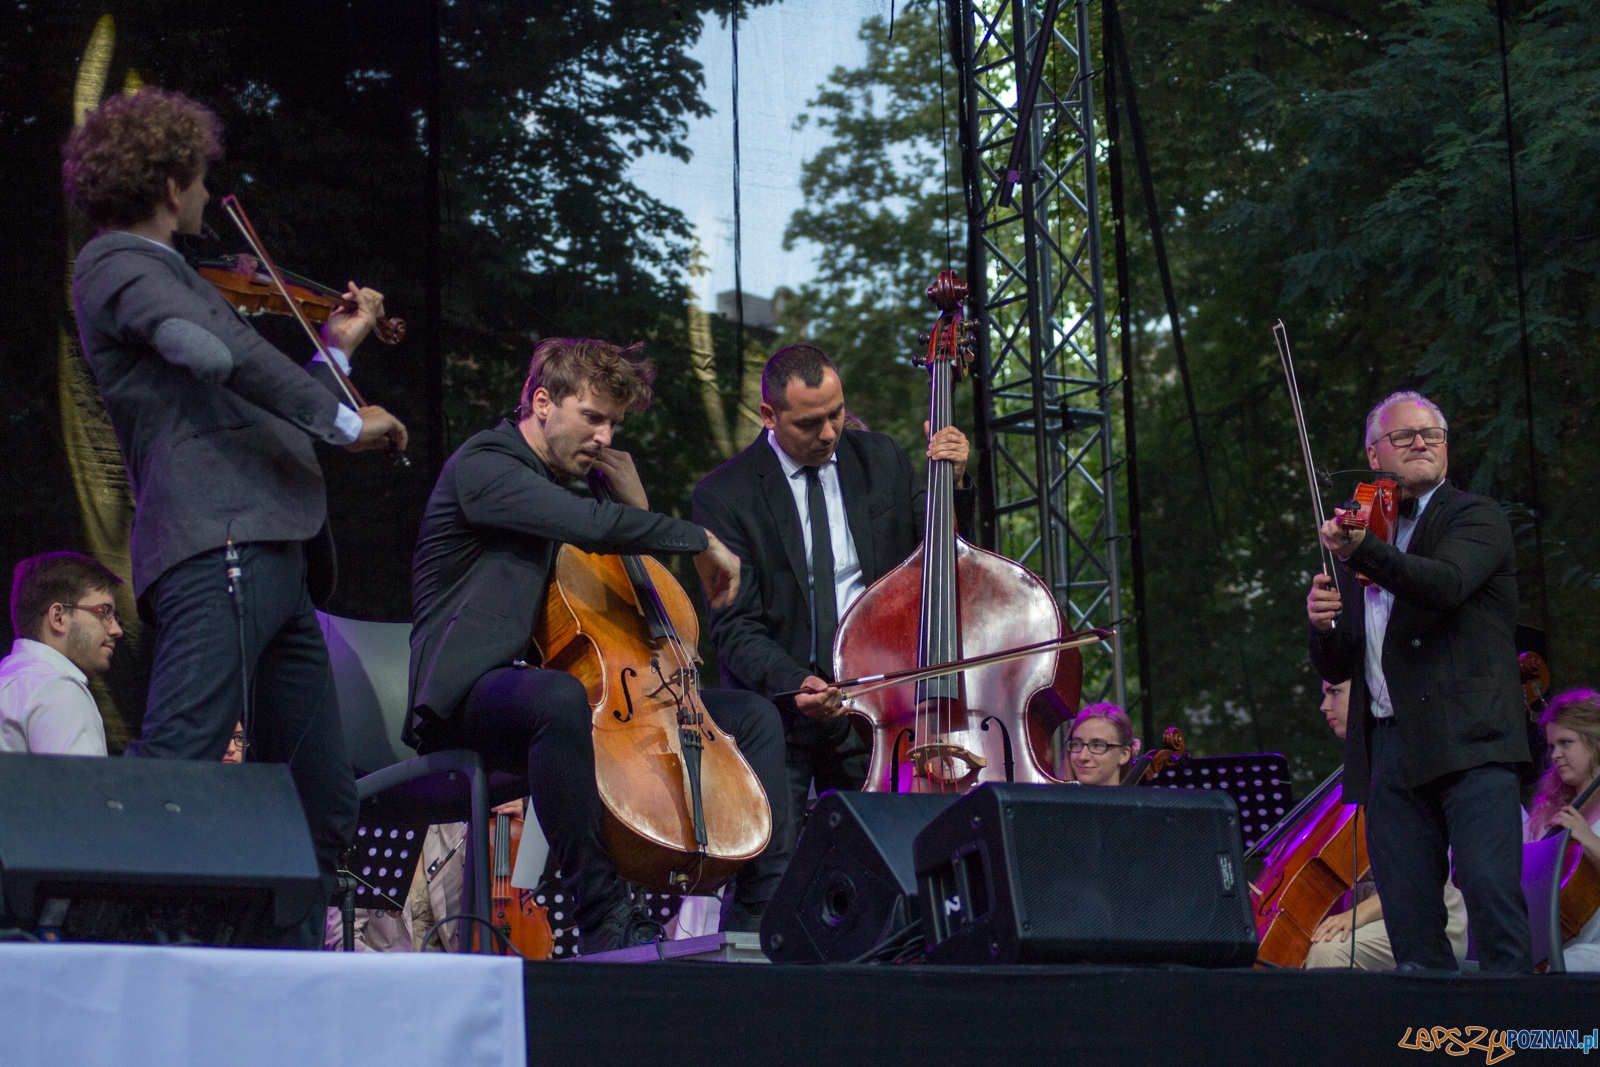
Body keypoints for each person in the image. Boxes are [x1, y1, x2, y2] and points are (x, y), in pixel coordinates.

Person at [63, 88, 408, 943]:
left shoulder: (169, 273)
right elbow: (218, 356)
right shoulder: (116, 263)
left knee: (324, 791)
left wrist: (336, 351)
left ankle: (280, 963)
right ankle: (83, 943)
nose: (207, 194)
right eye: (202, 175)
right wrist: (340, 419)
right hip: (222, 540)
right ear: (171, 177)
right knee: (181, 750)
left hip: (274, 551)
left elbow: (250, 390)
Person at [405, 337, 790, 953]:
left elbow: (628, 583)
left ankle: (757, 917)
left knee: (757, 717)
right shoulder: (487, 465)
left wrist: (634, 505)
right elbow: (590, 528)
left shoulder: (567, 490)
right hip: (467, 694)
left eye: (614, 423)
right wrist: (701, 539)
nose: (606, 437)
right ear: (541, 402)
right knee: (556, 698)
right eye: (593, 418)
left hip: (567, 693)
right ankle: (602, 913)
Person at [691, 344, 972, 836]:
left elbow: (939, 564)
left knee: (890, 856)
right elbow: (735, 626)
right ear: (769, 415)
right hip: (780, 712)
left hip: (879, 707)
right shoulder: (724, 494)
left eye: (836, 414)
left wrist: (953, 481)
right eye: (808, 423)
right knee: (768, 872)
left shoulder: (879, 457)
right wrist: (795, 682)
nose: (828, 433)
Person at [1306, 390, 1531, 972]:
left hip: (1470, 738)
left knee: (1491, 898)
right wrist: (1323, 624)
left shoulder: (1473, 516)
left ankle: (1519, 1047)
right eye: (1404, 436)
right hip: (1390, 745)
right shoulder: (1364, 529)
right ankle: (1429, 1045)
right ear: (1373, 451)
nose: (1422, 443)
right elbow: (1342, 664)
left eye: (1432, 434)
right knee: (1409, 920)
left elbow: (1442, 584)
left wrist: (1367, 553)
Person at [1303, 680, 1469, 969]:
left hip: (1426, 919)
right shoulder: (1355, 779)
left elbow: (1420, 875)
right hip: (1375, 920)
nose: (1324, 706)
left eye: (1335, 692)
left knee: (1329, 954)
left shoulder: (1406, 768)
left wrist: (1359, 914)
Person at [0, 552, 123, 755]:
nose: (116, 630)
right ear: (58, 617)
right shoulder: (58, 690)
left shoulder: (9, 682)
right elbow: (79, 786)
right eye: (104, 612)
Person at [1524, 689, 1600, 971]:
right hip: (1561, 945)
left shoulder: (1574, 820)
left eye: (1565, 743)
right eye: (1552, 746)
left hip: (1592, 949)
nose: (1555, 755)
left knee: (1566, 965)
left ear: (1595, 742)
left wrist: (1589, 838)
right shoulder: (1550, 812)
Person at [1063, 703, 1139, 786]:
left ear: (1124, 754)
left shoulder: (1140, 799)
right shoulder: (1054, 797)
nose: (1082, 756)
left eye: (1097, 745)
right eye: (1077, 744)